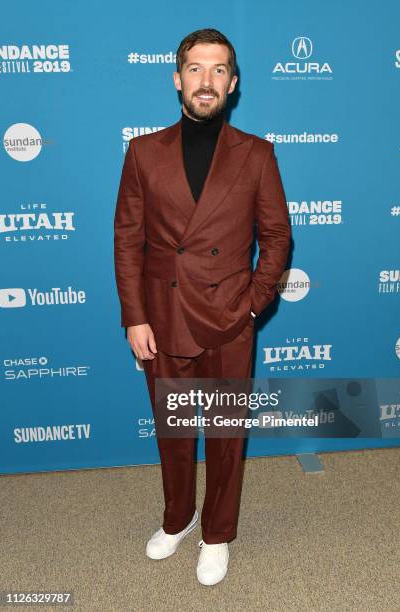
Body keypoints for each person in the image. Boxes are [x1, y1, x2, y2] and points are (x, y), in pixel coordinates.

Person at [114, 28, 291, 586]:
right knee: (172, 430)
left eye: (218, 70)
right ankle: (178, 518)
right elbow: (127, 238)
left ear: (233, 83)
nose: (206, 81)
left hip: (226, 318)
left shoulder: (257, 154)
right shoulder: (143, 152)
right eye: (195, 69)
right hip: (162, 317)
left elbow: (278, 238)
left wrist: (250, 306)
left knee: (224, 434)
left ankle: (217, 533)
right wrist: (134, 316)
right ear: (177, 79)